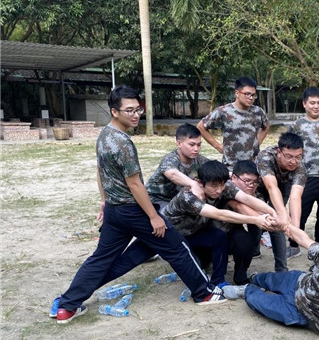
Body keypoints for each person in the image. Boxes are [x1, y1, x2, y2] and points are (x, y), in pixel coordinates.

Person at [52, 85, 226, 323]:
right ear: (114, 111)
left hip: (114, 211)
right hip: (132, 210)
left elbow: (101, 172)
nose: (135, 115)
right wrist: (154, 217)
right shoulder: (123, 143)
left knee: (105, 258)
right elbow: (134, 184)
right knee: (177, 247)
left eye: (138, 109)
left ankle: (66, 305)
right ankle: (204, 293)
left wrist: (104, 200)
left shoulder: (103, 136)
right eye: (129, 110)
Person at [107, 160, 276, 286]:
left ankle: (218, 281)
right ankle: (96, 280)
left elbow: (245, 198)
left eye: (222, 185)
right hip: (164, 234)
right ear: (201, 183)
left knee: (219, 236)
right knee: (127, 261)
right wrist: (255, 219)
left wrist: (274, 213)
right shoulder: (188, 196)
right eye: (214, 186)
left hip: (194, 234)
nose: (219, 190)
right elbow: (218, 214)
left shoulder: (223, 186)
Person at [286, 87, 319, 259]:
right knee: (299, 212)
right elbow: (287, 148)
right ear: (304, 104)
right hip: (303, 176)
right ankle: (293, 245)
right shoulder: (296, 125)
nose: (316, 106)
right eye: (312, 103)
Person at [256, 131, 307, 271]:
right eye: (289, 156)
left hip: (283, 185)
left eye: (298, 157)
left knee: (278, 223)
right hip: (260, 185)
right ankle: (254, 248)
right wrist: (283, 214)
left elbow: (295, 197)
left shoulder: (300, 168)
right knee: (260, 218)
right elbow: (271, 187)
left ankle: (281, 268)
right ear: (279, 152)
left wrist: (295, 229)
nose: (293, 161)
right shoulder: (265, 158)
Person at [197, 77, 270, 168]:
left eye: (253, 95)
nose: (251, 98)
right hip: (231, 166)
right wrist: (217, 146)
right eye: (247, 94)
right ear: (237, 93)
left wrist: (258, 143)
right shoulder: (223, 111)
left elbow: (266, 126)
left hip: (252, 165)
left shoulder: (258, 112)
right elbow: (201, 127)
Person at [145, 123, 209, 210]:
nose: (196, 149)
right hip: (156, 200)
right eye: (192, 144)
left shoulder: (200, 160)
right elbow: (172, 173)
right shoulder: (170, 158)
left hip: (178, 200)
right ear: (179, 143)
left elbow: (215, 169)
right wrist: (193, 184)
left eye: (199, 145)